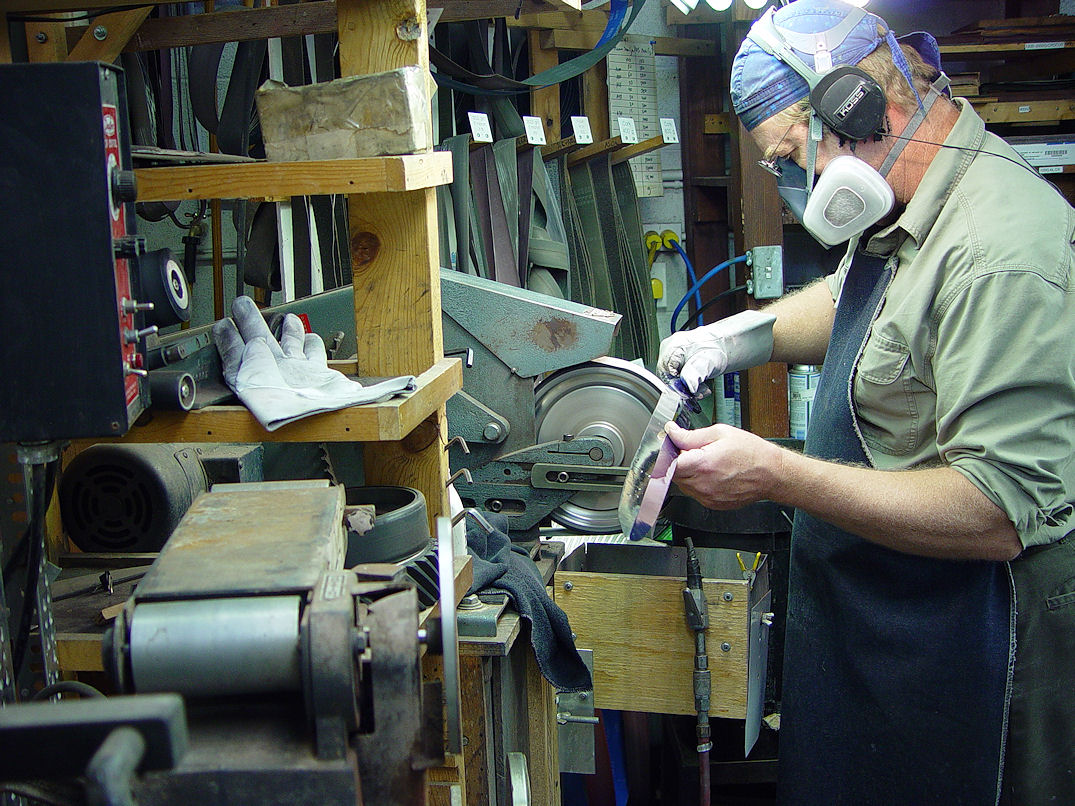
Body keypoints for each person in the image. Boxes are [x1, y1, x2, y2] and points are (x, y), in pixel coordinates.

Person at [657, 1, 1075, 803]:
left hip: (972, 651)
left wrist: (776, 474)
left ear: (861, 112)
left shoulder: (1000, 252)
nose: (794, 183)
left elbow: (993, 510)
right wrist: (742, 335)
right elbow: (865, 301)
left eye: (789, 154)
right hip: (895, 624)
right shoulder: (911, 201)